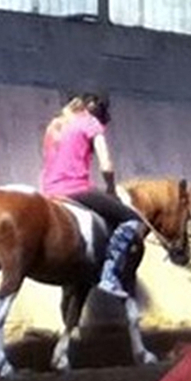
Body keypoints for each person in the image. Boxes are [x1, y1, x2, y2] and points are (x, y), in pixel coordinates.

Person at [41, 92, 146, 299]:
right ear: (96, 109)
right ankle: (109, 275)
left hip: (48, 189)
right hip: (75, 188)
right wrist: (111, 188)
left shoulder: (55, 124)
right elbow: (106, 165)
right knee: (132, 220)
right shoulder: (90, 123)